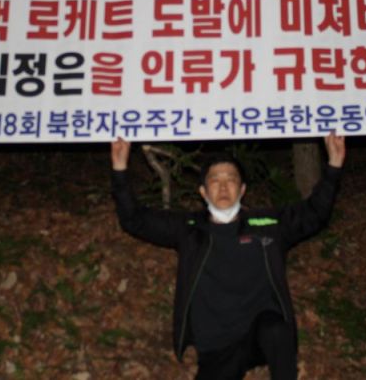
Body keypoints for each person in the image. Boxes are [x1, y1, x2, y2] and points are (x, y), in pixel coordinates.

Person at [110, 134, 346, 379]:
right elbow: (134, 220)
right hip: (216, 348)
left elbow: (315, 213)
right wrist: (119, 169)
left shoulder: (267, 225)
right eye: (215, 181)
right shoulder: (189, 229)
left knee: (277, 328)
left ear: (242, 189)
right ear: (203, 192)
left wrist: (334, 165)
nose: (223, 187)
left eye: (231, 180)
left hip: (258, 336)